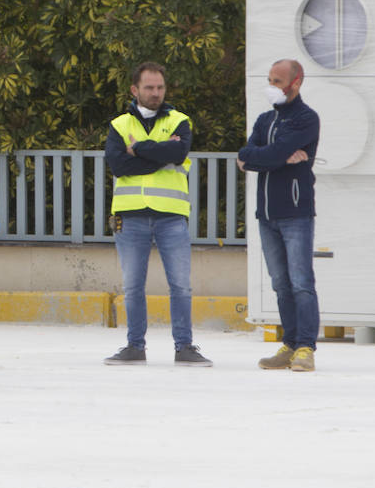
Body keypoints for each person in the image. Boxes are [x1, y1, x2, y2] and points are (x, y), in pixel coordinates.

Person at [103, 62, 213, 367]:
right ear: (134, 90)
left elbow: (178, 154)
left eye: (160, 87)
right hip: (130, 215)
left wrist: (138, 150)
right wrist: (160, 153)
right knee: (132, 286)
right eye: (149, 88)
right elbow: (119, 167)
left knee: (180, 285)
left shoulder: (180, 121)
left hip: (172, 215)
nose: (156, 93)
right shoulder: (119, 125)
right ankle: (134, 346)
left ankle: (185, 347)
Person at [237, 58, 321, 373]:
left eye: (277, 80)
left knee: (301, 282)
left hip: (295, 212)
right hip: (267, 213)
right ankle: (290, 341)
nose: (272, 85)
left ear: (296, 82)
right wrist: (277, 157)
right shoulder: (264, 120)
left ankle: (305, 347)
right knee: (280, 283)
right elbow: (246, 155)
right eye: (270, 79)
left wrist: (266, 157)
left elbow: (260, 156)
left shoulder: (306, 119)